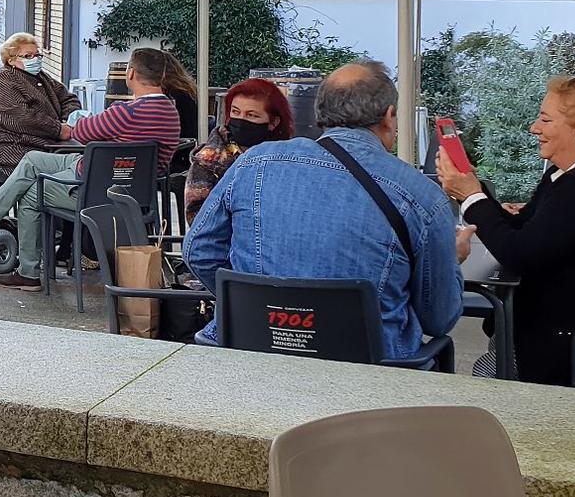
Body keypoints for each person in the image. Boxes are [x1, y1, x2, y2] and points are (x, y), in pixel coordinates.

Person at [186, 60, 462, 361]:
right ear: (389, 116)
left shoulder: (254, 162)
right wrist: (453, 261)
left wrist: (250, 303)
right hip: (373, 371)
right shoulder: (422, 196)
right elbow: (440, 318)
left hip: (249, 352)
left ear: (320, 113)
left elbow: (198, 250)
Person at [438, 75, 575, 392]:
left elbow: (520, 252)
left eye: (545, 119)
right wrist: (472, 190)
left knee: (484, 383)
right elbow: (523, 228)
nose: (534, 128)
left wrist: (471, 196)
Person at [0, 46, 184, 291]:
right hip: (134, 189)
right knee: (33, 159)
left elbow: (83, 131)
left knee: (32, 191)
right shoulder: (171, 113)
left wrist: (76, 123)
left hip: (95, 190)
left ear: (130, 74)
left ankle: (28, 272)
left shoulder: (125, 113)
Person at [184, 77, 297, 226]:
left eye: (251, 115)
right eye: (235, 112)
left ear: (273, 122)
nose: (241, 120)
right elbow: (196, 217)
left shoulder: (287, 155)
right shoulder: (210, 159)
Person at [0, 31, 81, 174]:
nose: (35, 59)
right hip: (7, 146)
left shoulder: (41, 77)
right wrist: (58, 130)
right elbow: (21, 117)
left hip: (40, 142)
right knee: (74, 166)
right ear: (10, 60)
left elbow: (68, 98)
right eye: (28, 56)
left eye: (37, 55)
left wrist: (67, 120)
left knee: (82, 160)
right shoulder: (3, 81)